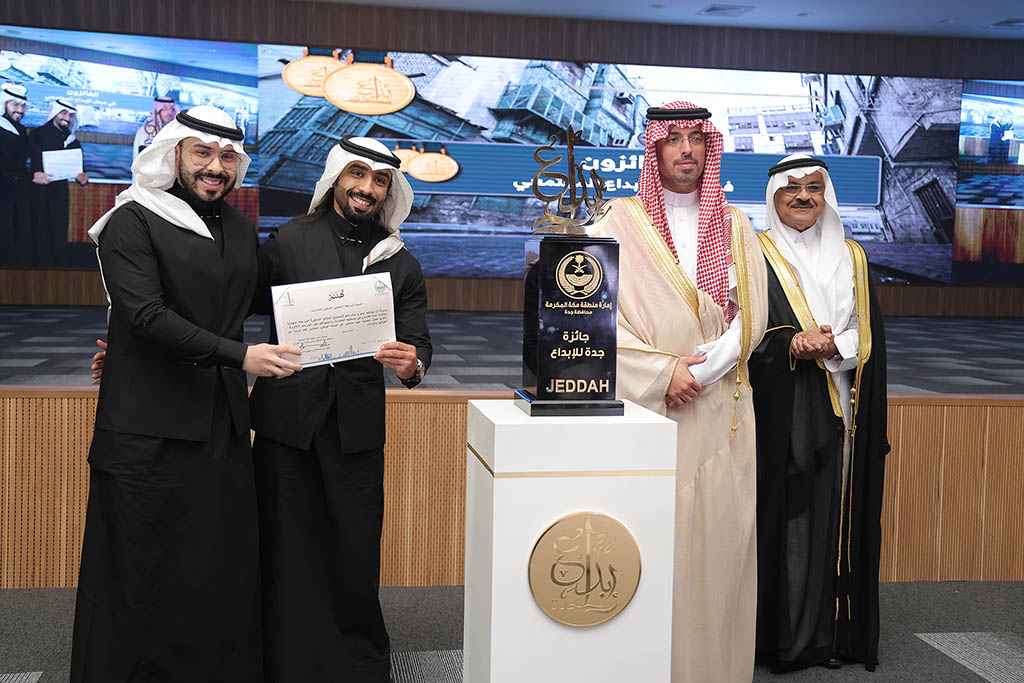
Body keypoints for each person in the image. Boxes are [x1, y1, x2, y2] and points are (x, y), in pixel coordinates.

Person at [70, 105, 302, 683]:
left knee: (214, 567)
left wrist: (359, 310)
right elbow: (146, 315)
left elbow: (261, 300)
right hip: (147, 429)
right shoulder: (132, 220)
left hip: (220, 426)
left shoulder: (240, 230)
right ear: (173, 153)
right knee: (140, 570)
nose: (215, 167)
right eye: (202, 152)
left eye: (227, 157)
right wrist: (241, 356)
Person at [590, 102, 768, 682]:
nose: (686, 149)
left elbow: (752, 316)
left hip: (719, 409)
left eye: (697, 138)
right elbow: (590, 318)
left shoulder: (736, 226)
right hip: (644, 410)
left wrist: (702, 373)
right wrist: (662, 373)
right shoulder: (615, 222)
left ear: (709, 147)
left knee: (718, 548)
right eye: (674, 139)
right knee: (646, 542)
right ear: (655, 149)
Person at [250, 136, 432, 683]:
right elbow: (229, 304)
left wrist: (411, 365)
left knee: (353, 549)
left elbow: (419, 347)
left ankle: (354, 663)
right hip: (286, 422)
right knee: (283, 543)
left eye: (380, 181)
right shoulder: (287, 241)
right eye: (357, 174)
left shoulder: (400, 262)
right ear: (335, 178)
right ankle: (281, 658)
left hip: (356, 430)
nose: (367, 188)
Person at [749, 154, 888, 673]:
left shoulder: (853, 256)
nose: (804, 197)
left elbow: (867, 330)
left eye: (813, 188)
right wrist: (791, 343)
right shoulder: (753, 253)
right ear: (774, 198)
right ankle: (787, 638)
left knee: (838, 510)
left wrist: (833, 347)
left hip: (843, 401)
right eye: (792, 189)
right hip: (782, 407)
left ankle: (832, 634)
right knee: (792, 515)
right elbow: (738, 332)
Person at [29, 98, 90, 266]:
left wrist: (83, 178)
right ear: (54, 113)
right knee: (40, 233)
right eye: (63, 113)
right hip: (37, 193)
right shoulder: (36, 134)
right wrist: (33, 174)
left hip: (59, 195)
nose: (67, 118)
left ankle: (58, 271)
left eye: (71, 115)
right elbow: (25, 164)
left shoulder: (72, 140)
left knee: (58, 232)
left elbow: (80, 169)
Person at [0, 82, 32, 266]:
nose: (19, 110)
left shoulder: (20, 129)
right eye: (15, 104)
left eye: (22, 106)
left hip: (17, 191)